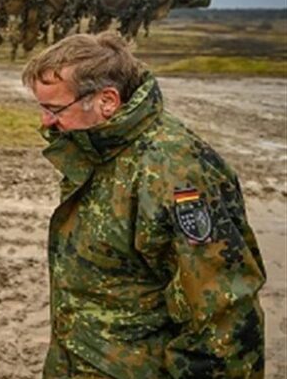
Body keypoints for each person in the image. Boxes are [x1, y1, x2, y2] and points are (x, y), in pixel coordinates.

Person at [22, 32, 266, 378]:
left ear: (107, 101)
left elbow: (223, 318)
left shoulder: (173, 170)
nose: (46, 121)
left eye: (54, 108)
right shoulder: (100, 150)